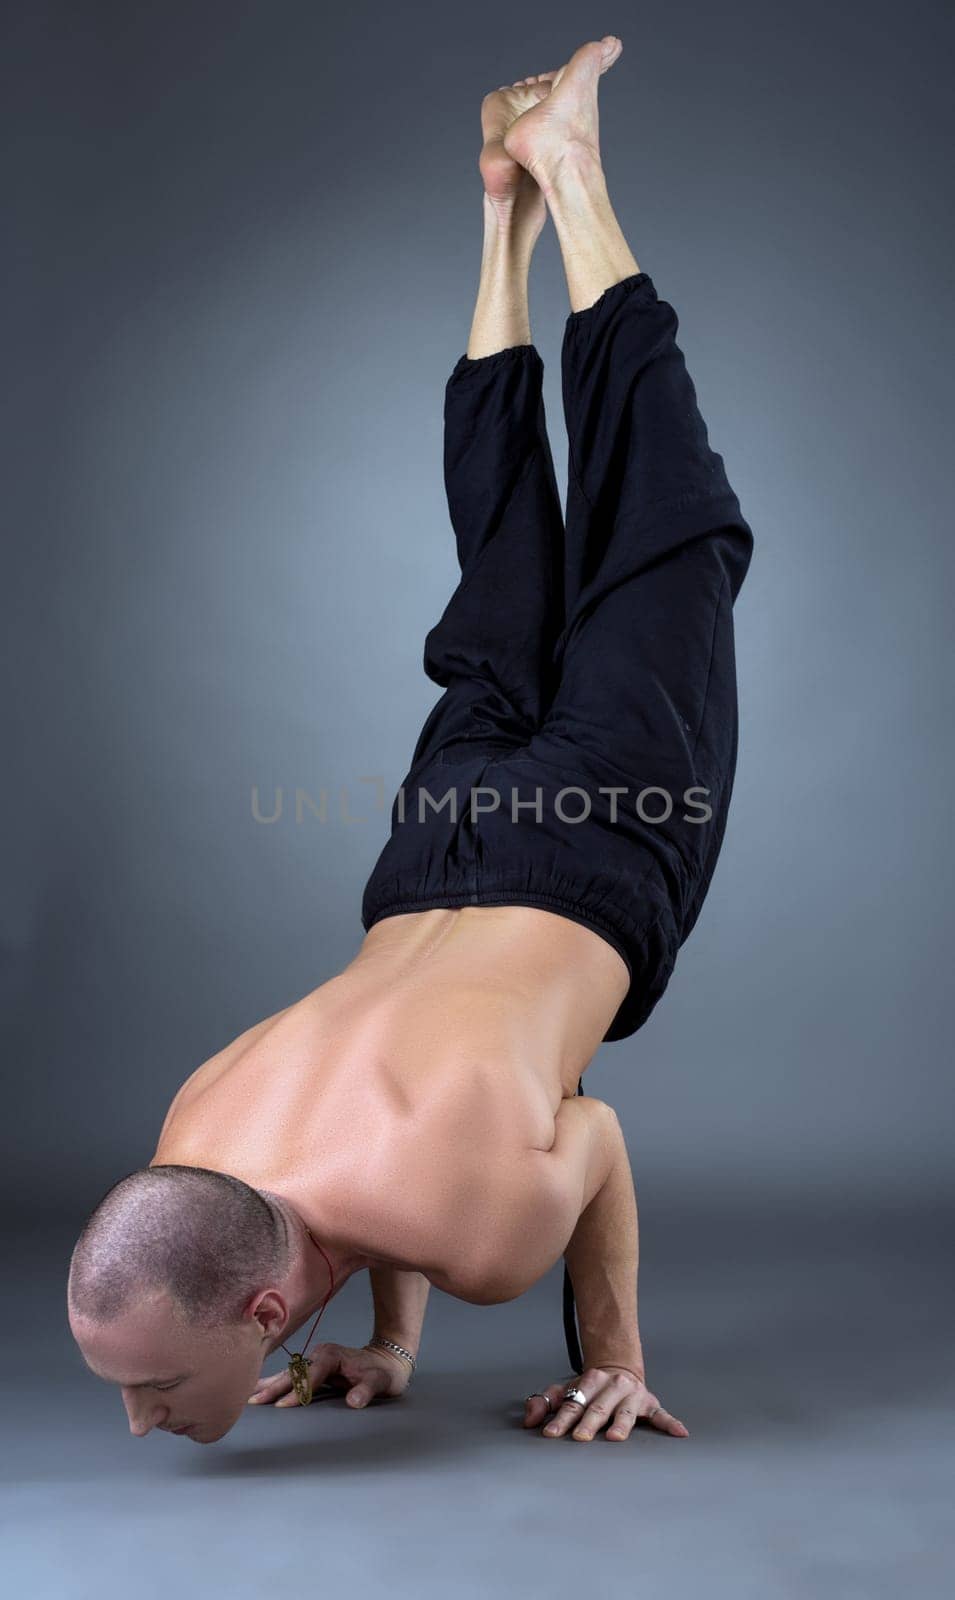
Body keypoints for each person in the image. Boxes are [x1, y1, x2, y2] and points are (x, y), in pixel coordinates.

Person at [67, 35, 753, 1449]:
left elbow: (591, 1143)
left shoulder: (484, 1235)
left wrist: (608, 1351)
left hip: (593, 851)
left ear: (260, 1315)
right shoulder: (198, 1146)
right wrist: (385, 1341)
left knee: (667, 535)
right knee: (504, 559)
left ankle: (566, 167)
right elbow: (348, 1195)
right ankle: (499, 208)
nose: (139, 1419)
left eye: (147, 1386)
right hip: (433, 847)